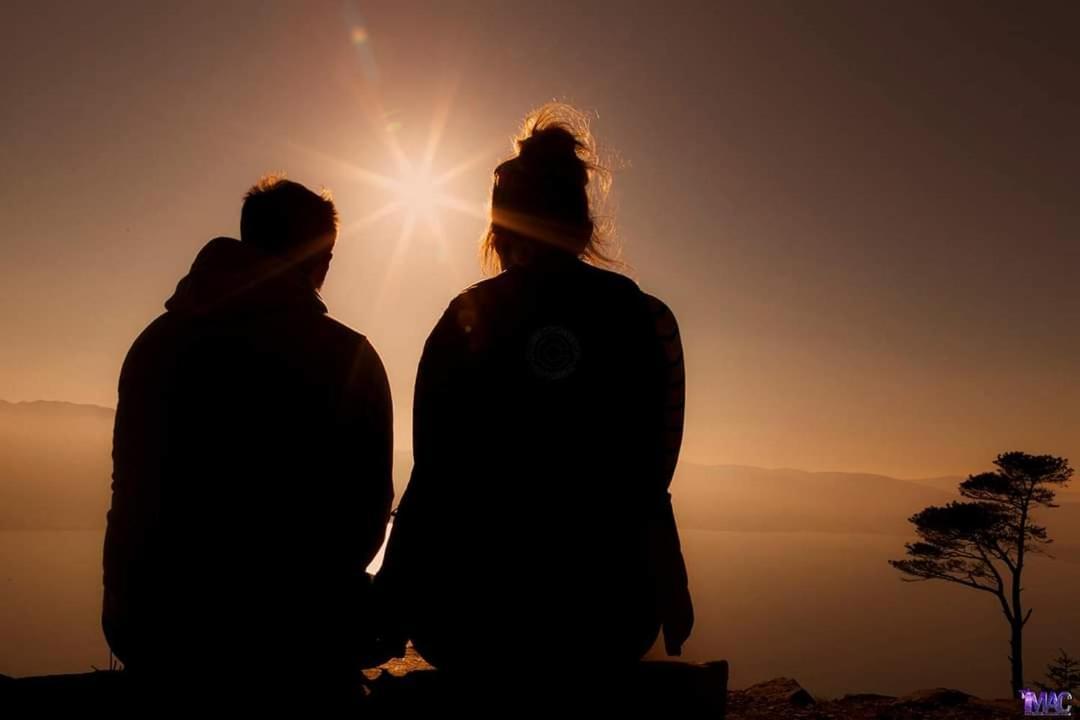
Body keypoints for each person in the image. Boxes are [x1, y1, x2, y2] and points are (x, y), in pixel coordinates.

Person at [377, 103, 693, 673]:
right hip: (611, 620)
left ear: (498, 230)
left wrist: (389, 604)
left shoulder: (464, 318)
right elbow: (653, 468)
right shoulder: (644, 318)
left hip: (469, 623)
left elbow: (433, 477)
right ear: (585, 227)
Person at [102, 175, 393, 706]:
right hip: (290, 646)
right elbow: (366, 520)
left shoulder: (153, 344)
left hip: (150, 630)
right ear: (320, 258)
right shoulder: (347, 357)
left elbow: (134, 493)